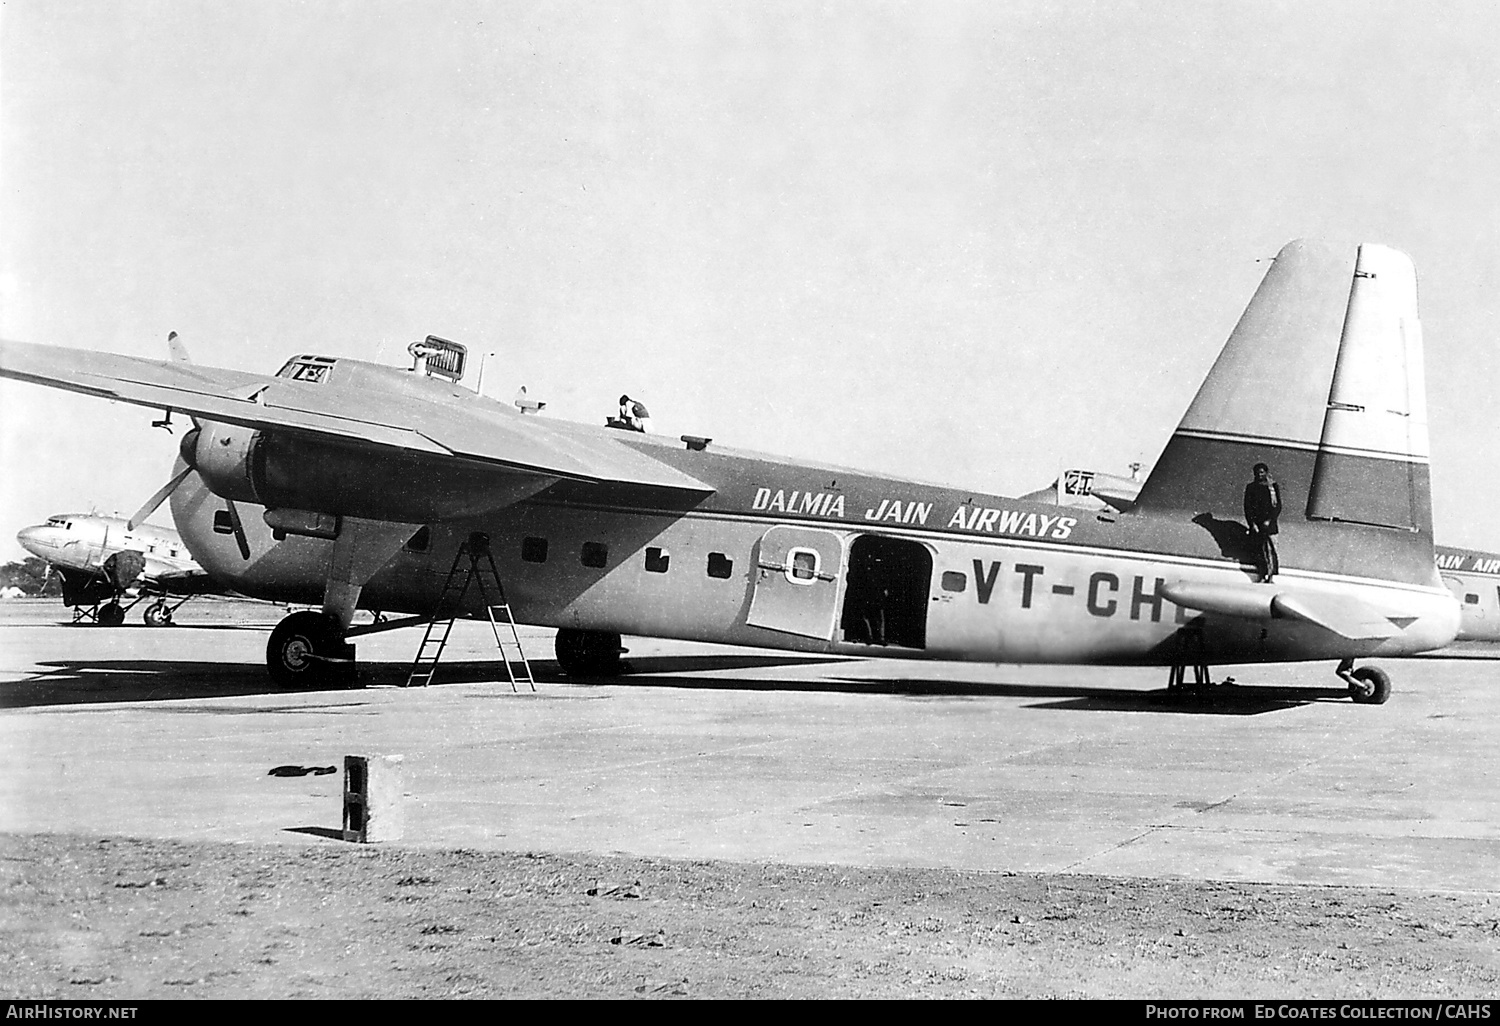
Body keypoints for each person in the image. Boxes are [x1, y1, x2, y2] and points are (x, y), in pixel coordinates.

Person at [1243, 462, 1282, 583]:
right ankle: (1262, 574)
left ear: (1266, 472)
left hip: (1270, 526)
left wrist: (1269, 521)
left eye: (1262, 472)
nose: (1259, 475)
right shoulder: (1251, 487)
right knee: (1260, 551)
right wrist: (1252, 524)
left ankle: (1270, 576)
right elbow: (1248, 507)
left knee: (1271, 550)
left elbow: (1277, 506)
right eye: (1257, 472)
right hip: (1258, 526)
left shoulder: (1272, 487)